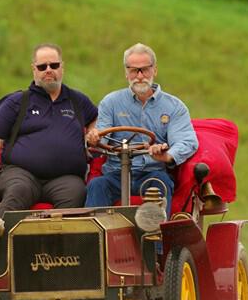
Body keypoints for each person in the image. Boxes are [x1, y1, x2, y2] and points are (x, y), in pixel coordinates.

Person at [0, 43, 99, 217]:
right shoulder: (16, 102)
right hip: (20, 173)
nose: (48, 70)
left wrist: (92, 131)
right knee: (19, 190)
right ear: (34, 69)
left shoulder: (78, 100)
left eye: (54, 65)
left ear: (62, 67)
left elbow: (96, 118)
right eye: (42, 66)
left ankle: (62, 243)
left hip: (66, 178)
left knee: (77, 193)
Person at [85, 43, 198, 214]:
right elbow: (102, 135)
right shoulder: (111, 102)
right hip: (116, 173)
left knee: (161, 184)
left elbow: (187, 141)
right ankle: (95, 238)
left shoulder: (174, 106)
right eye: (133, 70)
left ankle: (155, 238)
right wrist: (95, 138)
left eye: (144, 70)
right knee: (96, 185)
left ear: (155, 70)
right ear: (126, 73)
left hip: (152, 173)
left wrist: (166, 155)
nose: (139, 76)